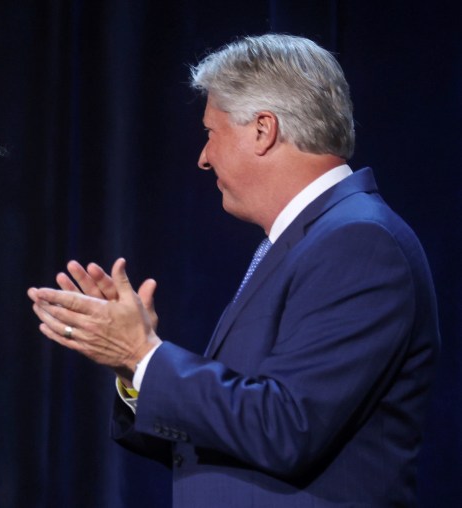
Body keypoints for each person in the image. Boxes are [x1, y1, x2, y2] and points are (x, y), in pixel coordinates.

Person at [28, 34, 439, 507]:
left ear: (263, 129)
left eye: (211, 132)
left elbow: (286, 428)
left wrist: (146, 355)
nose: (204, 157)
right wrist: (132, 367)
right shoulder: (306, 240)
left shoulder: (360, 242)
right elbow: (231, 430)